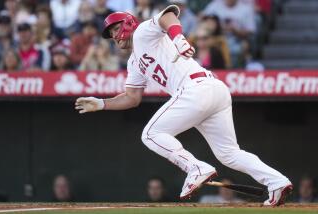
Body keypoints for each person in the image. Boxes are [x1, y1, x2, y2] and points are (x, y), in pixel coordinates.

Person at [75, 5, 292, 206]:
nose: (113, 36)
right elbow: (132, 97)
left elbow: (169, 15)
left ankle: (196, 167)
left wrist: (178, 38)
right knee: (229, 153)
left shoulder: (141, 32)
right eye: (110, 33)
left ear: (128, 23)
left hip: (194, 88)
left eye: (115, 28)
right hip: (212, 90)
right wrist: (102, 103)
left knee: (150, 134)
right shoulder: (133, 62)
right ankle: (277, 182)